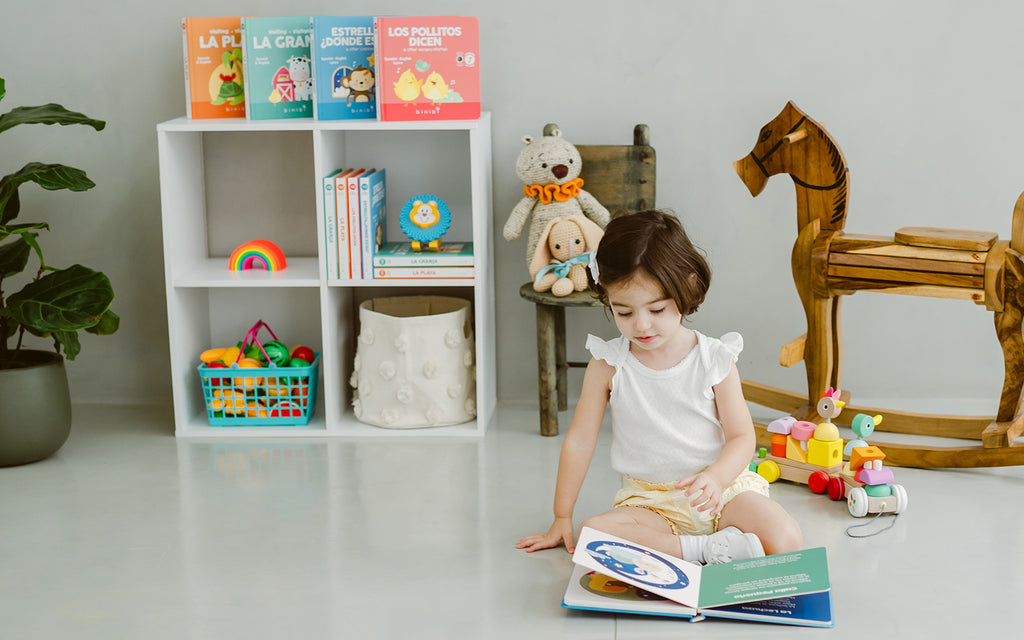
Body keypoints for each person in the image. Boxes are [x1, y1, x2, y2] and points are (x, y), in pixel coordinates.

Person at [516, 210, 803, 564]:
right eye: (624, 312)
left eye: (657, 309)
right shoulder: (608, 364)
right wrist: (562, 516)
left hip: (724, 493)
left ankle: (716, 540)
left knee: (786, 540)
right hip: (651, 505)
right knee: (594, 535)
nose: (641, 325)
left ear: (687, 288)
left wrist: (716, 478)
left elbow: (743, 437)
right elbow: (579, 441)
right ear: (608, 299)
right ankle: (704, 550)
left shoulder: (714, 358)